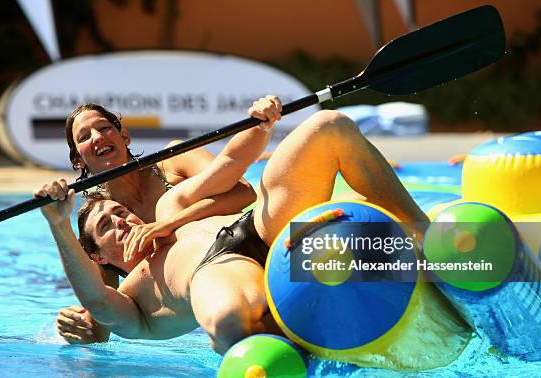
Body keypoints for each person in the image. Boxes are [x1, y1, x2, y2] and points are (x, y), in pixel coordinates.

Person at [38, 98, 429, 353]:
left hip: (258, 227)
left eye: (103, 127)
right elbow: (101, 303)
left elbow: (233, 171)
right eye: (84, 137)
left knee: (329, 124)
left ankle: (429, 241)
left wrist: (259, 126)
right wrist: (59, 227)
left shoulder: (170, 191)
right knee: (228, 320)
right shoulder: (135, 279)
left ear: (122, 134)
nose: (122, 221)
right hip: (217, 268)